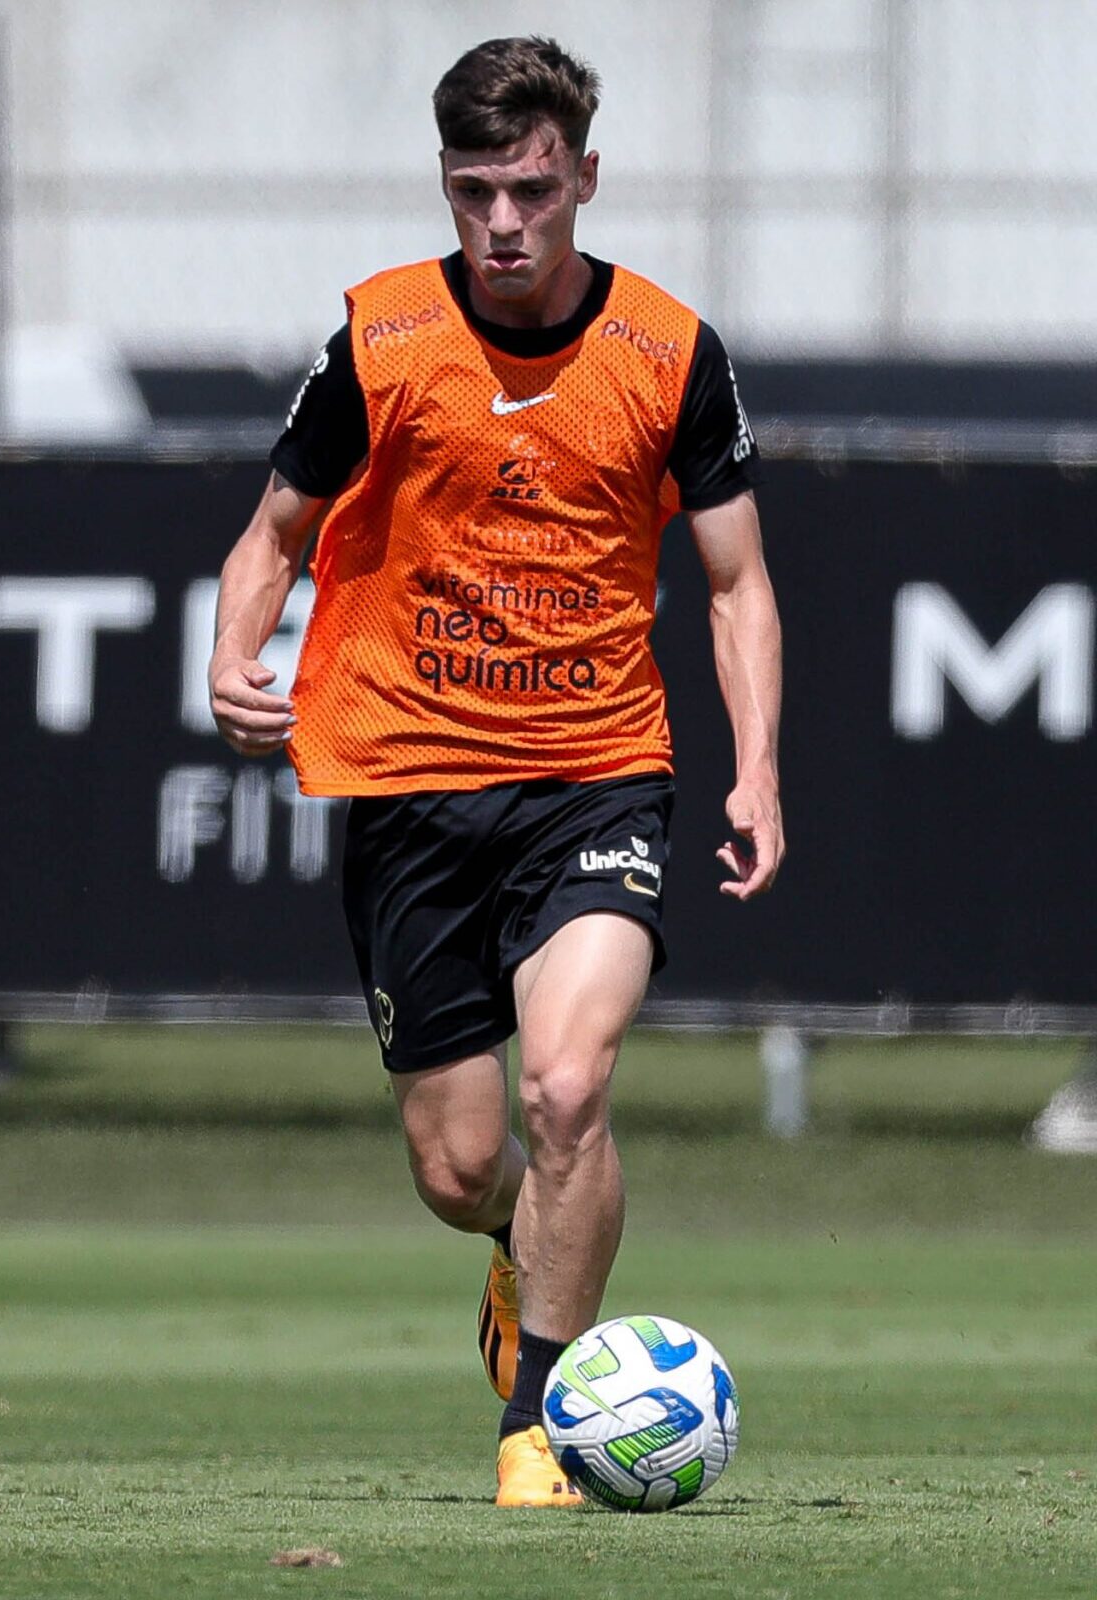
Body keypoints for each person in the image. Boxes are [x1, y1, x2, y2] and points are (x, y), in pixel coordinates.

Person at [205, 36, 784, 1508]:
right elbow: (275, 534)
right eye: (476, 192)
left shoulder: (668, 352)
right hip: (406, 785)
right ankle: (530, 1269)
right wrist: (233, 662)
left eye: (532, 188)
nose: (506, 222)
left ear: (584, 176)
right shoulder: (384, 340)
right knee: (464, 1170)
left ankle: (543, 1411)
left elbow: (736, 586)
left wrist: (757, 768)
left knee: (571, 1085)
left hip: (596, 775)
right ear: (447, 187)